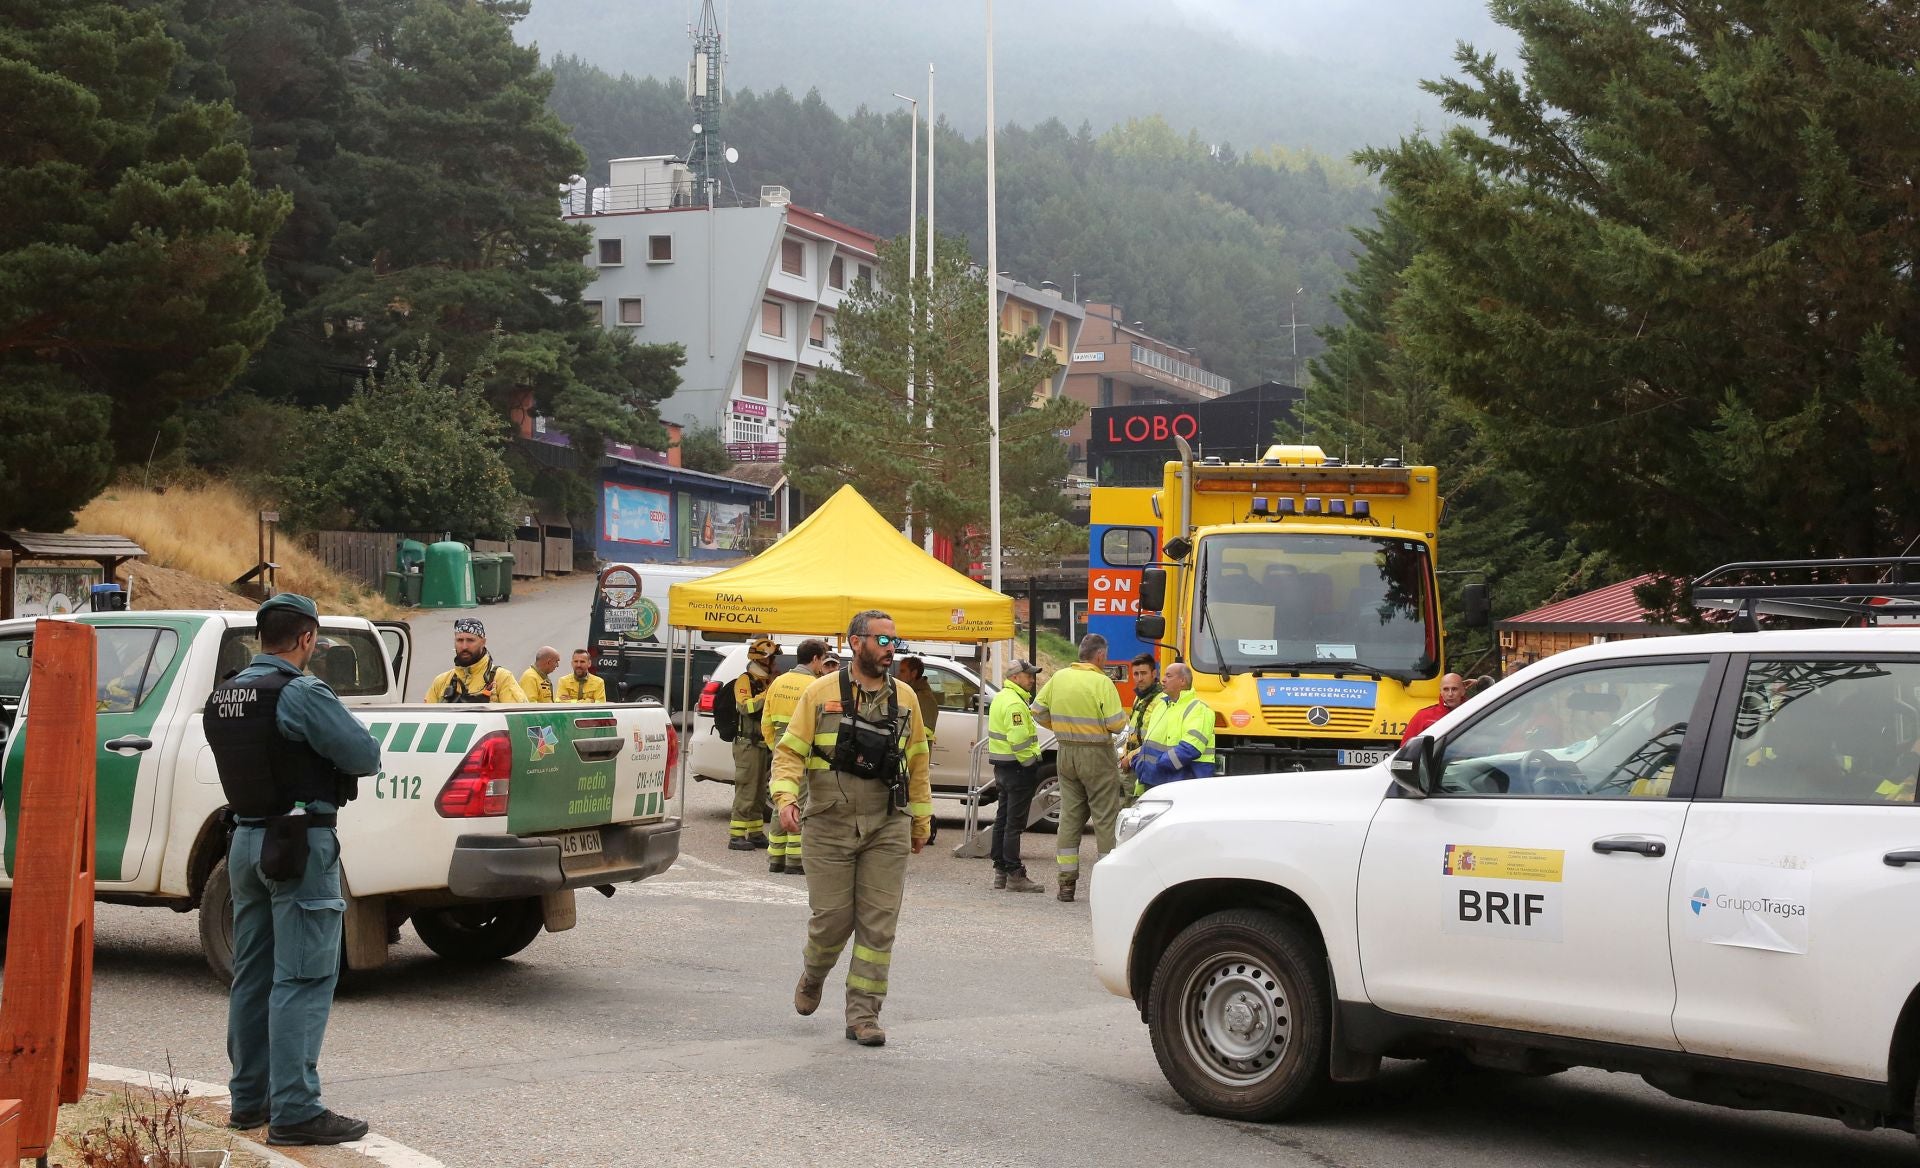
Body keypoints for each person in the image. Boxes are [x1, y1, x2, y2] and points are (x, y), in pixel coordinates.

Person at [204, 595, 381, 1146]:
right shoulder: (299, 692)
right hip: (299, 845)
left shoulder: (225, 693)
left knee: (252, 976)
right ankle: (297, 1111)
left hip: (244, 841)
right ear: (306, 639)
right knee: (302, 977)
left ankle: (249, 1101)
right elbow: (363, 755)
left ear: (261, 636)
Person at [770, 610, 932, 1048]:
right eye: (882, 640)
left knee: (879, 926)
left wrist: (921, 821)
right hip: (828, 823)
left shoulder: (907, 700)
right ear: (855, 642)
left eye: (894, 641)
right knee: (833, 920)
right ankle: (813, 974)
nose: (890, 649)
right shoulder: (820, 693)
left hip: (886, 824)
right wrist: (786, 799)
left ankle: (864, 1014)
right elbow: (788, 755)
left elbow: (917, 763)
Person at [1031, 634, 1127, 903]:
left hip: (1066, 753)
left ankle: (1066, 883)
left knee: (1070, 817)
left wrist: (1060, 728)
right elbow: (1116, 724)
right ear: (1099, 656)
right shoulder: (1102, 682)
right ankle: (1107, 886)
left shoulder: (1059, 678)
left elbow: (1036, 711)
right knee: (1105, 818)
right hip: (1096, 753)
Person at [762, 638, 835, 875]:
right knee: (800, 804)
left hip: (781, 750)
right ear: (815, 659)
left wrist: (777, 749)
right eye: (823, 658)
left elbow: (766, 721)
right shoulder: (815, 686)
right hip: (805, 752)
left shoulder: (778, 682)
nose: (823, 663)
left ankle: (776, 857)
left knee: (781, 801)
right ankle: (794, 860)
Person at [986, 658, 1045, 893]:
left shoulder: (1002, 698)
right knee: (1014, 824)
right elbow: (1019, 740)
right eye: (1028, 675)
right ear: (1015, 677)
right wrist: (1031, 765)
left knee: (1002, 820)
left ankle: (1000, 871)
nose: (1032, 679)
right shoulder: (1015, 704)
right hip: (1018, 769)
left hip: (1003, 768)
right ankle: (1014, 873)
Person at [727, 637, 778, 850]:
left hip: (763, 743)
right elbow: (745, 708)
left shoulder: (767, 681)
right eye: (773, 659)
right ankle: (736, 835)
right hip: (747, 744)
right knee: (747, 788)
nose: (776, 663)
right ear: (763, 660)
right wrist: (769, 693)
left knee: (759, 791)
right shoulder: (745, 680)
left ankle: (755, 832)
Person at [1132, 664, 1216, 787]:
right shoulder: (1162, 706)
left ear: (1182, 681)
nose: (1163, 679)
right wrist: (1139, 762)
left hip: (1180, 784)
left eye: (1169, 676)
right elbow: (1150, 742)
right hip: (1155, 781)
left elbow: (1191, 748)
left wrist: (1160, 764)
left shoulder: (1198, 709)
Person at [423, 618, 527, 703]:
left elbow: (519, 720)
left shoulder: (502, 678)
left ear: (483, 642)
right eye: (460, 640)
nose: (464, 646)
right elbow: (425, 718)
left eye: (470, 640)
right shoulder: (441, 681)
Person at [1402, 672, 1468, 742]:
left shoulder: (1473, 712)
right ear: (1440, 692)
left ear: (1463, 691)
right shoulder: (1423, 716)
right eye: (1446, 689)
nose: (1450, 694)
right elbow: (1406, 748)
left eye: (1454, 689)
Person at [895, 655, 940, 743]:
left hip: (916, 753)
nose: (898, 675)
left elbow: (924, 731)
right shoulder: (910, 693)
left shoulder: (925, 698)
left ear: (914, 673)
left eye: (902, 671)